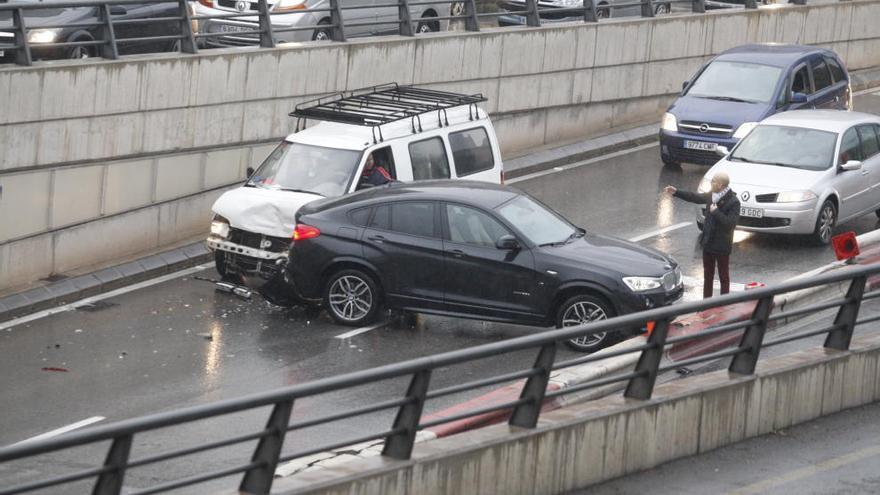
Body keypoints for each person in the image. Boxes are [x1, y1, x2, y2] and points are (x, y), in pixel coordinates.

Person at [664, 172, 740, 299]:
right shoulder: (712, 195)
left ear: (720, 184)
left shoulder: (733, 202)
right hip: (708, 242)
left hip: (722, 245)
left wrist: (716, 212)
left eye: (713, 181)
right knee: (707, 276)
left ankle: (724, 303)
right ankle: (706, 303)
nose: (711, 183)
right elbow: (695, 197)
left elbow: (730, 224)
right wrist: (676, 192)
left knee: (723, 276)